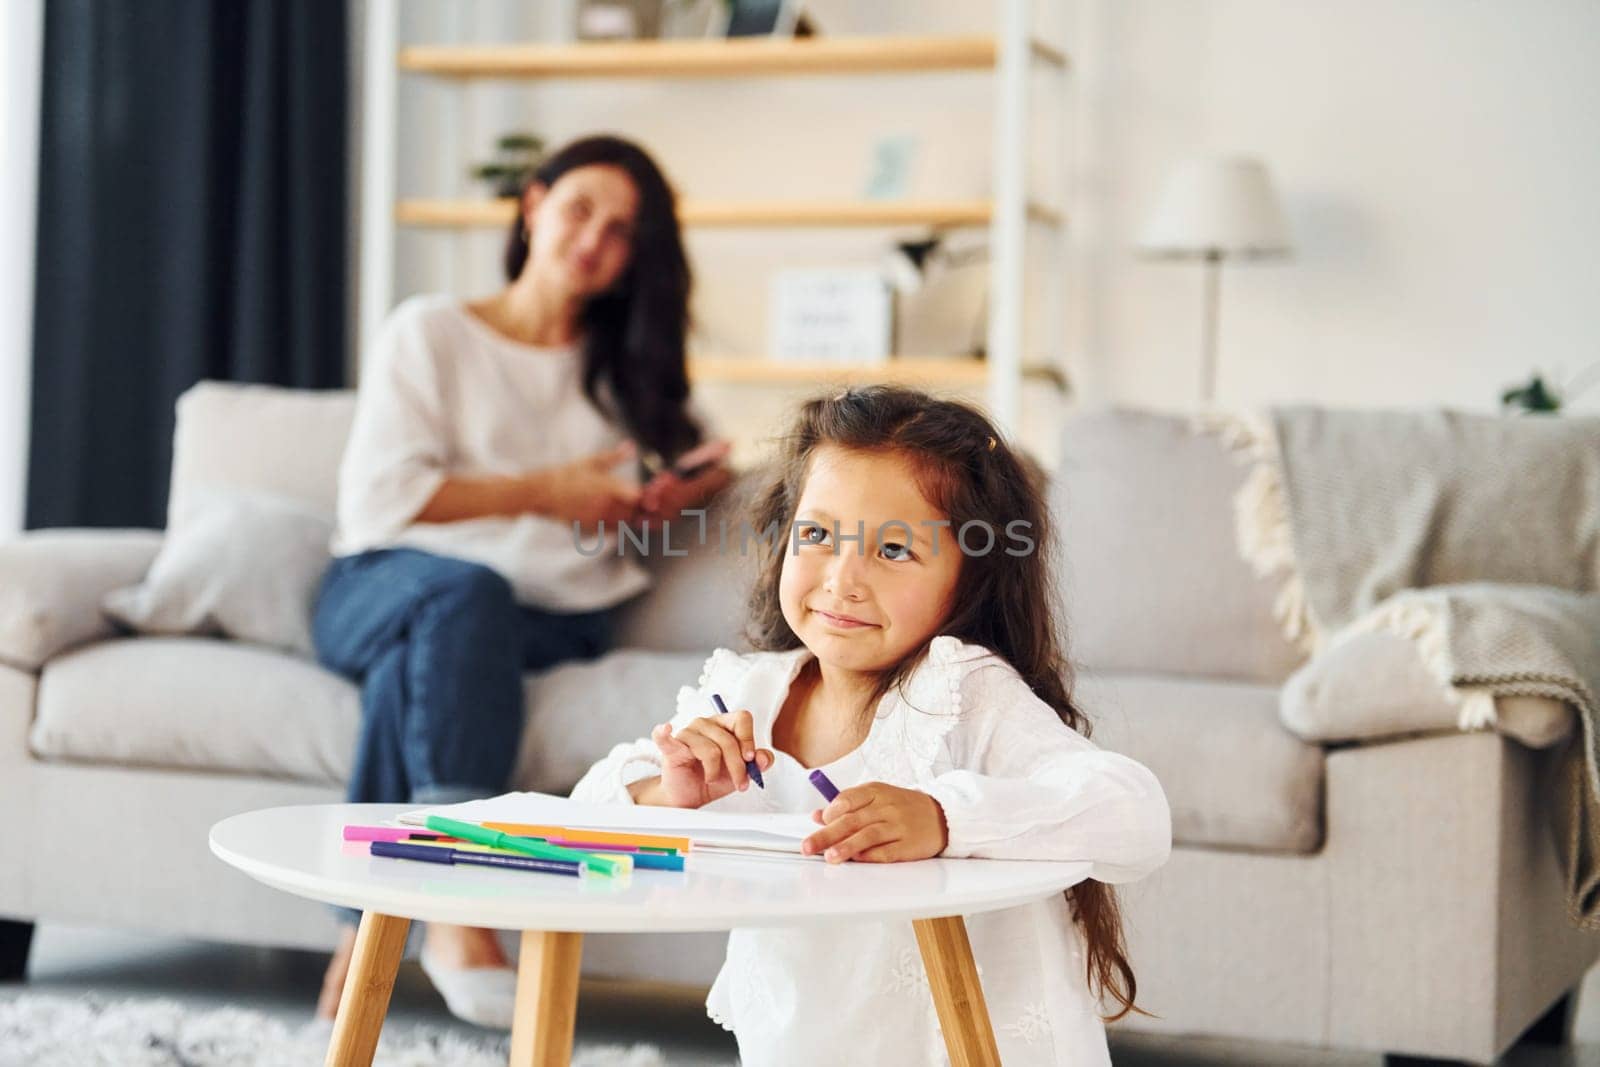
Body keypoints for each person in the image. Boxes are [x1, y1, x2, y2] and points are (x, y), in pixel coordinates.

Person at [572, 385, 1171, 1066]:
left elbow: (1136, 812)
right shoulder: (743, 692)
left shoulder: (960, 690)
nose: (842, 580)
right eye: (819, 535)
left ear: (970, 577)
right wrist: (664, 794)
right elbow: (577, 820)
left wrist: (944, 819)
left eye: (892, 550)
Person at [312, 135, 731, 1024]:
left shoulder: (626, 375)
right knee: (461, 599)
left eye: (621, 232)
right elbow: (381, 497)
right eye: (580, 210)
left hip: (548, 614)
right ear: (533, 205)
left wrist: (670, 493)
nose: (594, 241)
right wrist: (551, 490)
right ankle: (463, 909)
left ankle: (363, 934)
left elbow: (701, 459)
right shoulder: (431, 331)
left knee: (425, 663)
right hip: (381, 586)